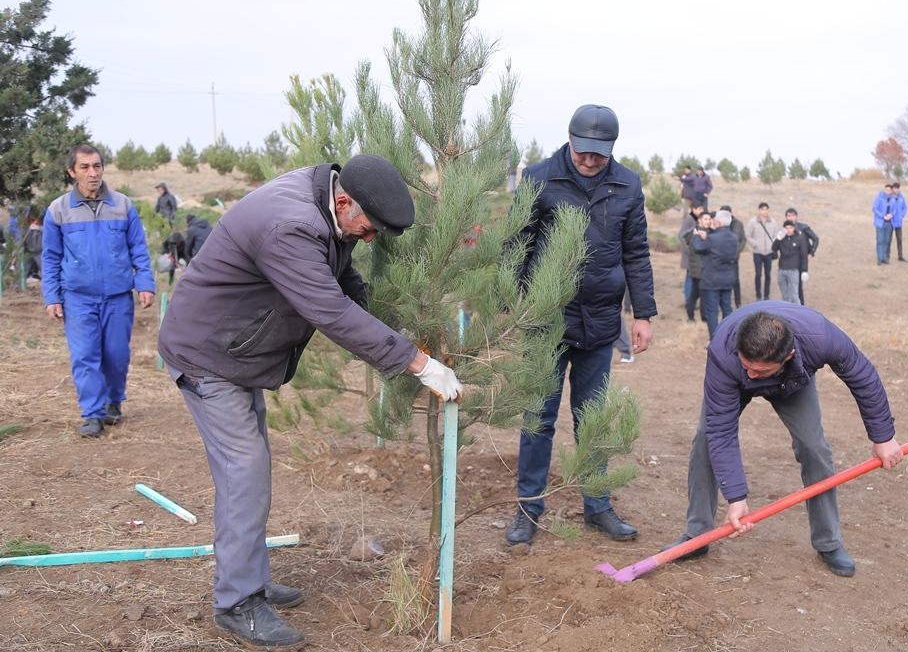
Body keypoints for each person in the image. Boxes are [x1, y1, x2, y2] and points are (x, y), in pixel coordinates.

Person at [158, 154, 464, 649]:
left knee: (249, 469)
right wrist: (416, 364)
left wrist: (396, 336)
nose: (370, 239)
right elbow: (329, 310)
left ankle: (249, 578)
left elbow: (344, 282)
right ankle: (237, 602)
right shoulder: (290, 225)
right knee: (245, 470)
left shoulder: (324, 205)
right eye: (369, 229)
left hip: (232, 350)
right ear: (344, 201)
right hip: (207, 354)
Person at [505, 104, 657, 546]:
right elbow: (517, 244)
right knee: (539, 419)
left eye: (599, 154)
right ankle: (528, 511)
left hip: (601, 321)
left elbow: (636, 252)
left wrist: (642, 314)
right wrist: (510, 306)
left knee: (592, 419)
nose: (590, 160)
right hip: (546, 323)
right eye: (584, 151)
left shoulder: (627, 184)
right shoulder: (538, 177)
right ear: (569, 140)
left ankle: (598, 506)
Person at [663, 302, 904, 577]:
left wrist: (883, 437)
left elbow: (862, 375)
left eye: (760, 371)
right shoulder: (724, 351)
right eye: (748, 366)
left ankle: (828, 542)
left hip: (792, 383)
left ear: (788, 355)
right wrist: (736, 497)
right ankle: (698, 535)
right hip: (732, 380)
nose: (752, 375)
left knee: (814, 448)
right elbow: (721, 431)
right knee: (706, 439)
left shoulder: (820, 337)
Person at [42, 144, 156, 437]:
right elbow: (51, 257)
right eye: (85, 167)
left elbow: (138, 249)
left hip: (118, 296)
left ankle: (113, 402)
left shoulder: (123, 205)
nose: (93, 173)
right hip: (77, 297)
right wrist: (52, 296)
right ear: (72, 172)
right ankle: (92, 414)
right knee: (84, 355)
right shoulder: (58, 210)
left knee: (116, 354)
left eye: (97, 166)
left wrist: (145, 283)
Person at [693, 209, 738, 339]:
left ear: (717, 222)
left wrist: (697, 235)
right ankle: (728, 337)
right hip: (728, 279)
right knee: (727, 309)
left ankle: (715, 339)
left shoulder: (712, 239)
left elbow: (698, 248)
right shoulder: (734, 238)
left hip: (712, 280)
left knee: (712, 312)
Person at [678, 200, 706, 321]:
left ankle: (691, 302)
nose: (701, 211)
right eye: (699, 209)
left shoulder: (695, 219)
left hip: (694, 257)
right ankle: (689, 302)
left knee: (692, 280)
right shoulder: (689, 219)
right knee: (690, 280)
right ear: (694, 209)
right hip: (690, 257)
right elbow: (681, 236)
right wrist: (689, 250)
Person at [785, 207, 819, 305]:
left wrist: (811, 253)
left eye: (792, 215)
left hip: (801, 260)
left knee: (798, 285)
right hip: (789, 261)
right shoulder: (785, 229)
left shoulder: (803, 228)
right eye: (788, 216)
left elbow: (816, 239)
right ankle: (791, 305)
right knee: (789, 285)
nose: (791, 218)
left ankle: (800, 307)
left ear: (796, 216)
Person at [771, 221, 808, 304]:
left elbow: (804, 255)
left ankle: (798, 312)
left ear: (793, 228)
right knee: (785, 296)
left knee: (794, 295)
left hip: (793, 270)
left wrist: (804, 270)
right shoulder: (781, 238)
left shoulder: (799, 238)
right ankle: (787, 314)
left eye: (790, 228)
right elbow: (773, 249)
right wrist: (777, 239)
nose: (788, 230)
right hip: (782, 270)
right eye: (786, 228)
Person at [744, 203, 776, 301]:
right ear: (759, 210)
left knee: (768, 274)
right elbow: (747, 235)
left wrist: (772, 244)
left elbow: (776, 234)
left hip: (769, 252)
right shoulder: (753, 222)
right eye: (762, 209)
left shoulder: (773, 222)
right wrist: (755, 244)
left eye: (766, 209)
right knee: (758, 274)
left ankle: (766, 295)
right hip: (757, 252)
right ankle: (758, 294)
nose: (764, 211)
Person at [720, 205, 747, 308]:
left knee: (735, 280)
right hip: (721, 258)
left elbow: (743, 240)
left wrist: (737, 252)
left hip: (734, 258)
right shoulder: (718, 224)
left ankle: (738, 302)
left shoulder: (738, 224)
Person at [872, 183, 894, 265]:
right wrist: (883, 216)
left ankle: (885, 258)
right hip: (880, 223)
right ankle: (879, 259)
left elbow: (895, 209)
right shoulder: (879, 197)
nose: (887, 191)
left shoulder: (892, 199)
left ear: (891, 191)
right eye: (886, 190)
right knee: (880, 240)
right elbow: (874, 209)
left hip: (889, 223)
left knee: (886, 241)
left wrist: (891, 214)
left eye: (889, 190)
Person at [890, 182, 908, 262]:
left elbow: (905, 207)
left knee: (899, 239)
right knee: (888, 239)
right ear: (892, 189)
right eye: (894, 188)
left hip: (899, 222)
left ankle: (900, 256)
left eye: (897, 188)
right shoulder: (889, 197)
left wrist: (902, 215)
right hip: (890, 222)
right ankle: (886, 256)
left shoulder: (902, 197)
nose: (896, 190)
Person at [23, 217, 43, 282]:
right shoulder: (27, 230)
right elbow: (24, 242)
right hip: (30, 251)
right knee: (26, 267)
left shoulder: (42, 230)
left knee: (43, 267)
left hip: (39, 252)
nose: (35, 222)